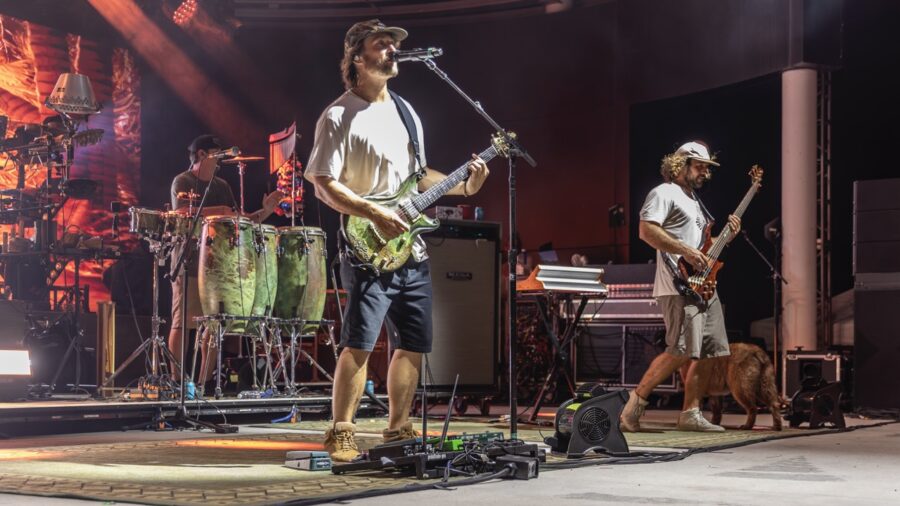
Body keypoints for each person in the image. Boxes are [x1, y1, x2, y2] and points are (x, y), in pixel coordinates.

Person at [305, 19, 490, 461]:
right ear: (357, 57)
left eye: (394, 44)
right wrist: (373, 212)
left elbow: (418, 176)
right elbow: (322, 183)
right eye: (381, 44)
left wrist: (464, 185)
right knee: (361, 340)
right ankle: (343, 430)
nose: (392, 50)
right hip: (366, 240)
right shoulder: (338, 114)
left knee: (414, 340)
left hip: (410, 245)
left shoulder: (407, 112)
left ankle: (398, 428)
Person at [621, 141, 740, 432]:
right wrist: (685, 251)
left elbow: (703, 249)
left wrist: (726, 237)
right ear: (681, 164)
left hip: (704, 286)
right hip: (677, 286)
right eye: (700, 167)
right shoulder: (664, 193)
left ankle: (691, 413)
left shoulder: (695, 202)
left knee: (708, 350)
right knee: (682, 349)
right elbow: (646, 230)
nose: (705, 174)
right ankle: (632, 408)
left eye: (708, 169)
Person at [168, 134, 281, 390]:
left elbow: (239, 221)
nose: (220, 161)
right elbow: (180, 214)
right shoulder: (183, 180)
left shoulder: (222, 185)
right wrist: (219, 211)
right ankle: (176, 381)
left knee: (213, 324)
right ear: (201, 154)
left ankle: (204, 382)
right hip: (188, 259)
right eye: (217, 154)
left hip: (216, 267)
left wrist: (265, 211)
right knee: (183, 321)